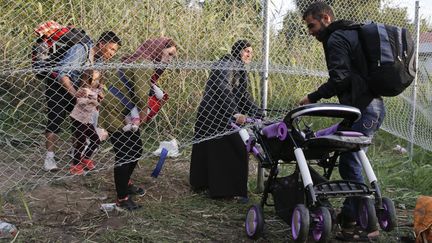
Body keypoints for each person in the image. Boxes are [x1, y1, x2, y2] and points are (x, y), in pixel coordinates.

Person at [300, 2, 385, 240]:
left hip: (363, 108)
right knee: (352, 160)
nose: (311, 32)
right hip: (372, 106)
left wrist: (312, 97)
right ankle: (350, 218)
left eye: (312, 25)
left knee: (350, 162)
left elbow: (340, 79)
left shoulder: (335, 39)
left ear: (325, 18)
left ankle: (364, 224)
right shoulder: (353, 32)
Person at [99, 37, 177, 210]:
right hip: (115, 112)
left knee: (135, 149)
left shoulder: (143, 61)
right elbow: (142, 96)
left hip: (124, 112)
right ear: (159, 49)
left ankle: (125, 183)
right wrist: (142, 117)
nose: (170, 59)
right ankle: (122, 198)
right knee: (124, 154)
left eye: (173, 56)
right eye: (169, 54)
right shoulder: (144, 64)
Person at [189, 40, 264, 202]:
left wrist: (259, 113)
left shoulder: (239, 67)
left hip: (221, 113)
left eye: (251, 51)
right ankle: (224, 191)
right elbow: (223, 89)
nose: (249, 54)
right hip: (214, 114)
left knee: (216, 150)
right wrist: (234, 112)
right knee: (233, 148)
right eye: (246, 51)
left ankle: (208, 185)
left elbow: (243, 95)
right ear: (238, 51)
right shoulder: (226, 64)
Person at [42, 29, 122, 172]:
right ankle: (50, 157)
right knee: (55, 120)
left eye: (115, 51)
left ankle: (75, 154)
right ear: (101, 44)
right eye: (111, 49)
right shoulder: (81, 49)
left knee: (80, 124)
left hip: (79, 91)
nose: (112, 53)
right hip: (58, 87)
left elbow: (96, 80)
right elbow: (63, 74)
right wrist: (75, 94)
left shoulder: (101, 59)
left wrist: (99, 91)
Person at [69, 69, 105, 175]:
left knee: (96, 139)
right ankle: (75, 165)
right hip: (79, 119)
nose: (97, 82)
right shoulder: (84, 90)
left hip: (87, 119)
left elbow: (101, 97)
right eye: (94, 80)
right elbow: (79, 101)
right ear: (88, 79)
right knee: (81, 142)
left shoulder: (96, 90)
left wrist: (100, 97)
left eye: (98, 80)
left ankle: (85, 158)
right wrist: (92, 101)